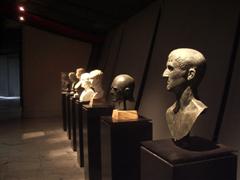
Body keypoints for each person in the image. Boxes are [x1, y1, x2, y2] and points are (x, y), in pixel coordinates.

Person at [162, 48, 207, 141]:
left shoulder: (196, 110)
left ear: (190, 74)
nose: (164, 74)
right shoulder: (170, 112)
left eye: (170, 68)